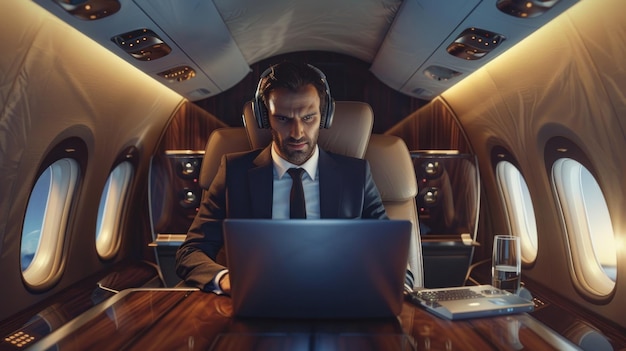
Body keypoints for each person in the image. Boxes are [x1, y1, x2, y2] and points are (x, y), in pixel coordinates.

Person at [175, 61, 412, 294]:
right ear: (265, 117)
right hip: (259, 303)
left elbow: (393, 253)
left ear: (325, 115)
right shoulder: (233, 172)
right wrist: (226, 279)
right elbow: (191, 251)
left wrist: (398, 287)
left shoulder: (356, 176)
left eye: (309, 118)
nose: (297, 133)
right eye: (283, 119)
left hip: (337, 303)